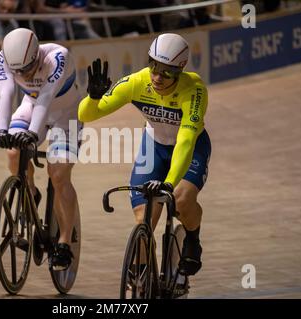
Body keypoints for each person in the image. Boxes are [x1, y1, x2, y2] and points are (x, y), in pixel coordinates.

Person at [78, 33, 211, 278]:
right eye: (154, 67)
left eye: (167, 72)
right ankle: (142, 278)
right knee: (144, 219)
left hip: (191, 148)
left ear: (180, 69)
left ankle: (193, 239)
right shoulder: (137, 82)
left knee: (180, 200)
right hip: (154, 146)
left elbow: (185, 141)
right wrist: (93, 97)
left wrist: (169, 183)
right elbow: (87, 115)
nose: (157, 77)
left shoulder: (194, 90)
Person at [0, 28, 82, 271]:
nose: (22, 74)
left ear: (37, 54)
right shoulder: (5, 57)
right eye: (17, 71)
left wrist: (32, 133)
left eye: (27, 68)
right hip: (30, 107)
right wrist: (1, 131)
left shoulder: (58, 57)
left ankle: (64, 241)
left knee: (58, 173)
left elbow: (46, 96)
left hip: (67, 115)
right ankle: (30, 191)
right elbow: (6, 94)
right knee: (13, 152)